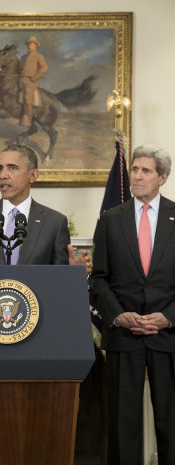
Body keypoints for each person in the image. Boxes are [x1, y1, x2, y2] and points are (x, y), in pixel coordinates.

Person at [91, 144, 175, 465]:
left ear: (162, 177)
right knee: (123, 424)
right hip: (124, 337)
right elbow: (98, 278)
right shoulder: (111, 219)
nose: (137, 177)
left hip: (168, 337)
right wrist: (118, 316)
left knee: (170, 422)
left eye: (145, 171)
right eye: (135, 170)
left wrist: (167, 318)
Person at [20, 36, 48, 127]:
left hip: (31, 81)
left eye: (31, 45)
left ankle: (28, 117)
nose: (29, 46)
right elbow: (19, 68)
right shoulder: (23, 57)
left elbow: (44, 68)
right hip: (21, 79)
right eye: (28, 45)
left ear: (36, 46)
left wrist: (36, 77)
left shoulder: (39, 56)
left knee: (28, 94)